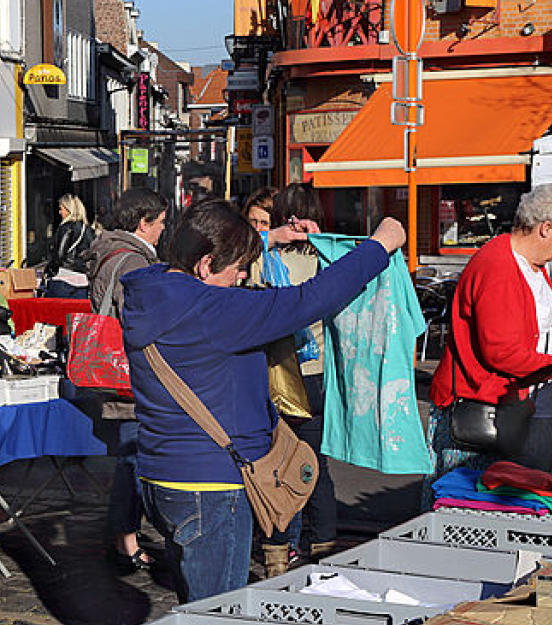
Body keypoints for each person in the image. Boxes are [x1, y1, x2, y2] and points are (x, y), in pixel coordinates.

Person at [121, 199, 404, 602]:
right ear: (205, 265)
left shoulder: (152, 292)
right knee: (217, 620)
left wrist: (278, 237)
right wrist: (379, 245)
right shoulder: (213, 309)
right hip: (211, 487)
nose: (241, 278)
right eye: (237, 269)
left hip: (160, 476)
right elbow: (309, 300)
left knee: (195, 607)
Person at [428, 184, 552, 498]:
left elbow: (533, 330)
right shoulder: (499, 267)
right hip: (481, 406)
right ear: (546, 229)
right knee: (469, 505)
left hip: (510, 404)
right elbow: (501, 352)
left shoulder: (529, 264)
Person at [85, 187, 168, 572]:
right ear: (143, 223)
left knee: (131, 458)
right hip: (129, 376)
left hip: (115, 374)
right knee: (134, 461)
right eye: (160, 223)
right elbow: (140, 321)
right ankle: (126, 539)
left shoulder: (109, 253)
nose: (163, 230)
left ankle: (125, 534)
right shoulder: (133, 263)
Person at [265, 182, 338, 568]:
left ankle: (277, 549)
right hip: (317, 375)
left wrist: (272, 238)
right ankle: (324, 542)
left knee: (276, 463)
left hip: (276, 376)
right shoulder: (328, 261)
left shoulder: (267, 260)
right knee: (316, 464)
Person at [43, 194, 95, 298]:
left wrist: (49, 271)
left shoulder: (65, 228)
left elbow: (59, 254)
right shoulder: (88, 230)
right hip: (82, 281)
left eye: (61, 209)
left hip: (64, 278)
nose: (59, 212)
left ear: (68, 210)